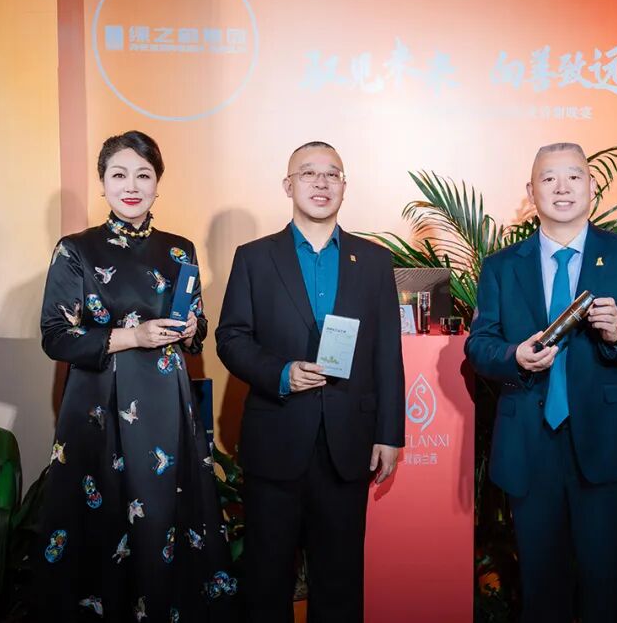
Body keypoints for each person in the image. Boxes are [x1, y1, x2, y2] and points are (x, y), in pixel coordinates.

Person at [465, 142, 617, 622]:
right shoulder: (502, 266)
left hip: (609, 446)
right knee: (542, 592)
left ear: (591, 186)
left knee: (606, 591)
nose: (562, 188)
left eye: (574, 177)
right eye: (549, 179)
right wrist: (515, 357)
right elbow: (479, 346)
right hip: (530, 445)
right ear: (531, 191)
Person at [36, 130, 236, 621]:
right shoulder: (75, 250)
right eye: (119, 175)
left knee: (162, 516)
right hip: (97, 405)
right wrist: (133, 336)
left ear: (157, 184)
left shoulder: (180, 249)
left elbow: (196, 332)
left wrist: (191, 328)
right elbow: (56, 337)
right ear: (103, 183)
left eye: (143, 175)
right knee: (102, 519)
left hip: (166, 406)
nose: (131, 186)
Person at [215, 141, 404, 622]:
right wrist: (281, 372)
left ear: (344, 186)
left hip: (348, 442)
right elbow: (231, 339)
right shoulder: (254, 257)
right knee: (267, 577)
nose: (321, 183)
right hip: (275, 437)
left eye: (332, 174)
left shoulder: (374, 261)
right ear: (288, 185)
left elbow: (387, 352)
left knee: (340, 580)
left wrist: (389, 434)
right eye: (308, 173)